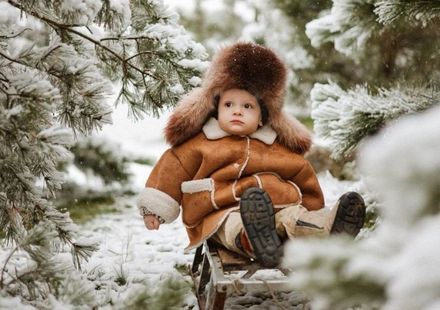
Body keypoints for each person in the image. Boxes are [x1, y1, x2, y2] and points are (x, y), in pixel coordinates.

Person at [137, 42, 366, 267]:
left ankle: (327, 228)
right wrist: (154, 210)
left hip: (279, 206)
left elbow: (303, 178)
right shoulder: (201, 144)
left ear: (263, 117)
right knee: (234, 224)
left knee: (294, 216)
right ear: (215, 109)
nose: (237, 110)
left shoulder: (275, 147)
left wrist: (312, 208)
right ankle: (256, 242)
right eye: (229, 104)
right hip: (220, 213)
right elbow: (171, 169)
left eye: (247, 106)